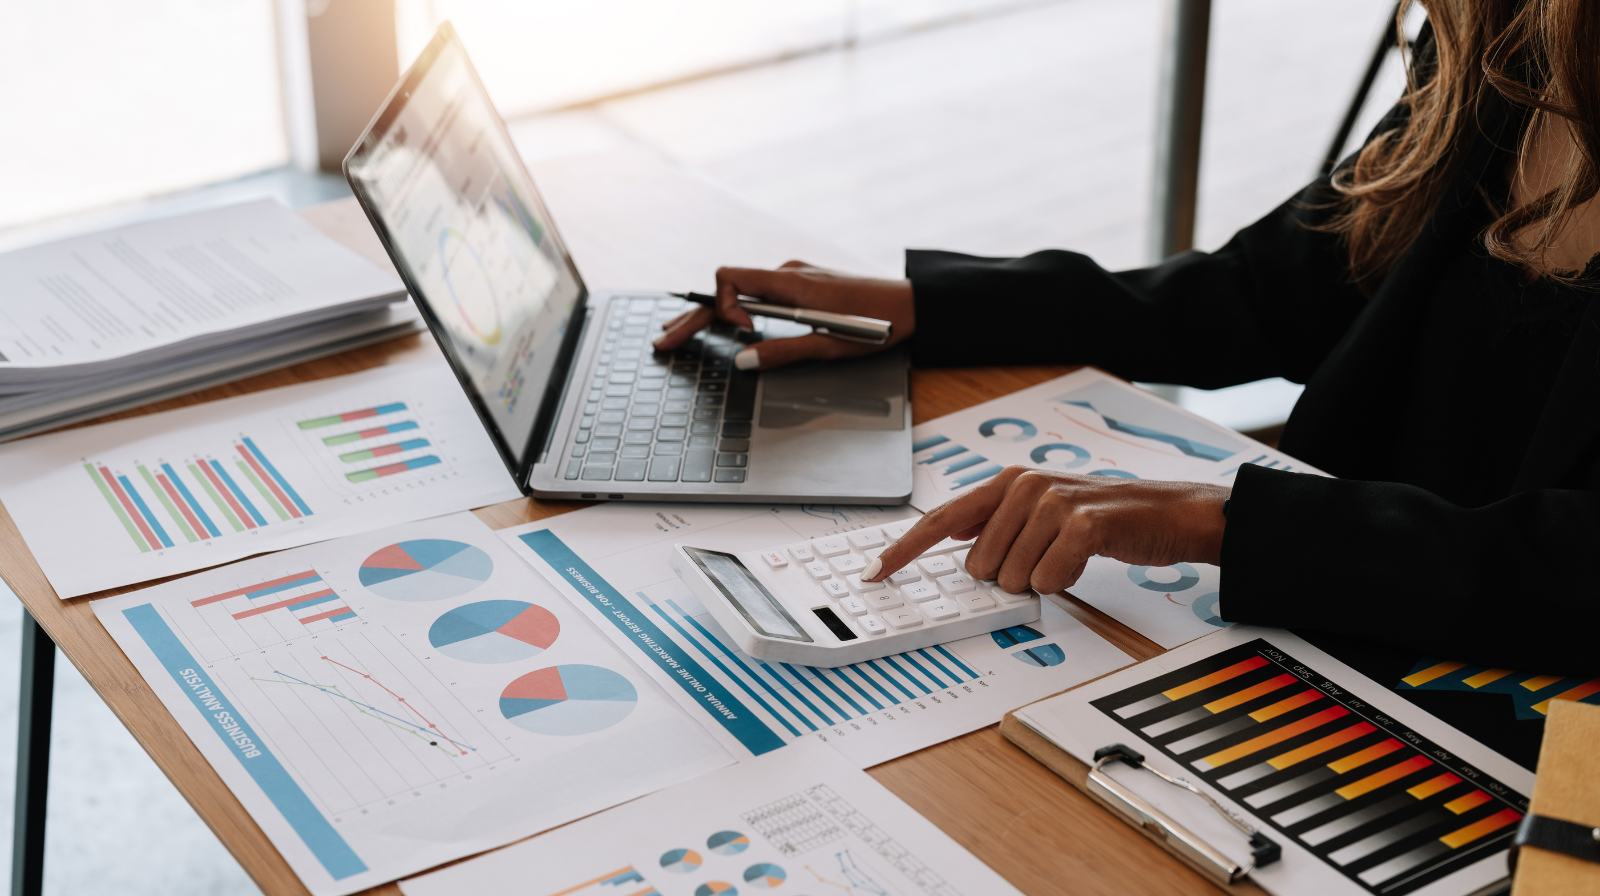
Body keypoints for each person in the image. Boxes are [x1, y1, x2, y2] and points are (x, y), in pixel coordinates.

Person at [654, 1, 1600, 674]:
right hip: (1333, 641)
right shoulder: (1500, 43)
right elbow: (1268, 294)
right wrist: (928, 307)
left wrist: (1221, 518)